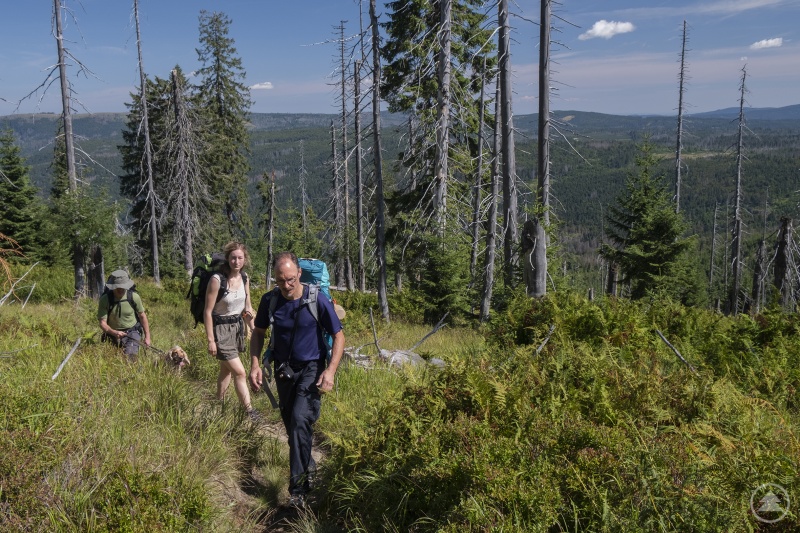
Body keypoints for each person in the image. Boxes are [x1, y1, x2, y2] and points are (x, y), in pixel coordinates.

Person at [249, 252, 344, 507]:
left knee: (301, 419)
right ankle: (308, 464)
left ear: (299, 274)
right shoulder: (270, 300)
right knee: (293, 427)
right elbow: (258, 332)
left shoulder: (317, 299)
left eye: (291, 279)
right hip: (283, 371)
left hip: (312, 369)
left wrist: (331, 370)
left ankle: (298, 491)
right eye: (280, 281)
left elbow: (338, 335)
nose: (287, 285)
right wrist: (255, 364)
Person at [204, 241, 256, 412]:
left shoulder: (245, 278)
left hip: (237, 329)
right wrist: (211, 340)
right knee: (240, 372)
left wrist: (254, 328)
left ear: (245, 259)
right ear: (227, 259)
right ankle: (249, 411)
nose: (237, 261)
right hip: (220, 330)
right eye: (233, 258)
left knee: (225, 371)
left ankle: (219, 406)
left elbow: (247, 308)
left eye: (240, 258)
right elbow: (208, 311)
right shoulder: (217, 280)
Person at [98, 270, 151, 359]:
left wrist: (147, 337)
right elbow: (102, 322)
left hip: (132, 332)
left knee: (130, 357)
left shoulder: (134, 297)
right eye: (118, 287)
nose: (121, 289)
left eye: (123, 286)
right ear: (113, 287)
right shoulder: (105, 299)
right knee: (111, 359)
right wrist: (114, 332)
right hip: (112, 333)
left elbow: (142, 316)